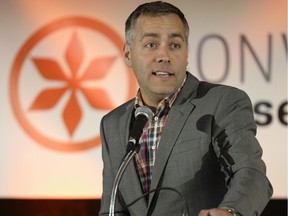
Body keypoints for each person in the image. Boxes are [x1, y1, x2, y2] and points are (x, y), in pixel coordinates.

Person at [99, 1, 273, 215]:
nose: (164, 56)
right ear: (127, 55)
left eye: (175, 45)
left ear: (187, 53)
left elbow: (250, 172)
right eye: (151, 44)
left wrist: (231, 211)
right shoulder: (112, 124)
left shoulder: (221, 102)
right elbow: (112, 207)